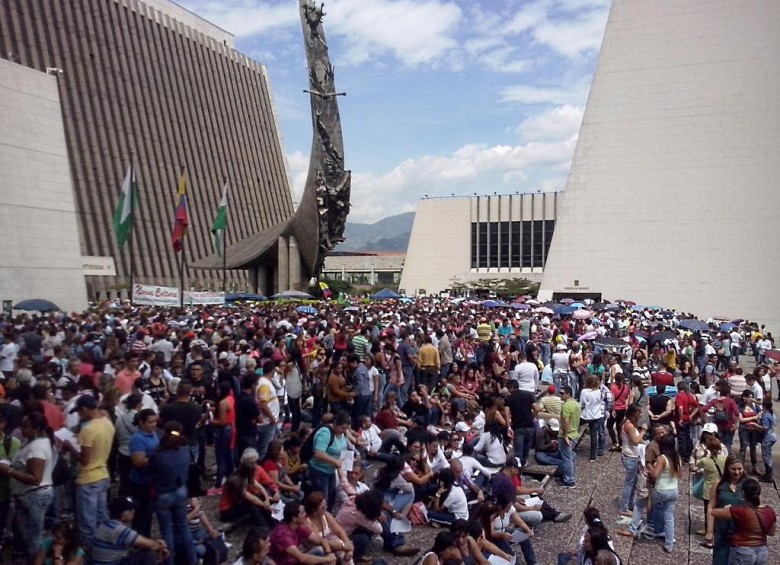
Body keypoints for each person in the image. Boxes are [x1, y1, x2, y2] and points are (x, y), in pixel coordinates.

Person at [0, 411, 54, 559]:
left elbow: (36, 478)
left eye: (26, 427)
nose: (22, 429)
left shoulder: (36, 447)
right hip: (28, 495)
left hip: (34, 495)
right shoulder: (32, 441)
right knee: (28, 534)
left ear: (36, 429)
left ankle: (37, 560)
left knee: (34, 537)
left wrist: (9, 470)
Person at [68, 394, 116, 548]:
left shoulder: (88, 430)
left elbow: (84, 459)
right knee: (102, 517)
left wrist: (70, 447)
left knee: (87, 523)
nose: (80, 416)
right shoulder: (107, 423)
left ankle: (89, 555)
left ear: (84, 409)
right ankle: (106, 548)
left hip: (88, 478)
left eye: (80, 412)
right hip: (103, 473)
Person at [148, 421, 196, 565]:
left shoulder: (157, 453)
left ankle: (170, 562)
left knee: (166, 530)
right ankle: (192, 560)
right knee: (183, 526)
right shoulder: (185, 448)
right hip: (180, 489)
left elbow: (151, 471)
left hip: (163, 493)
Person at [708, 479, 777, 565]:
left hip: (742, 551)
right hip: (762, 552)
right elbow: (771, 533)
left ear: (743, 494)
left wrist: (726, 508)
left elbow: (714, 512)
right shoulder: (770, 511)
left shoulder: (740, 511)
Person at [90, 496, 168, 565]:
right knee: (150, 555)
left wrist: (156, 544)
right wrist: (161, 546)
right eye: (131, 510)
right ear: (124, 514)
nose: (133, 511)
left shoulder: (105, 524)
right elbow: (152, 545)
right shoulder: (120, 530)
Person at [705, 454, 747, 560]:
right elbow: (711, 507)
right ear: (727, 468)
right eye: (733, 469)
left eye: (739, 469)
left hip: (742, 533)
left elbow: (758, 507)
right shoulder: (718, 484)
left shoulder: (749, 485)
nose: (737, 472)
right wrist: (709, 531)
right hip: (722, 532)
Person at [308, 410, 351, 511]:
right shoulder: (325, 433)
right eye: (342, 428)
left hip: (330, 470)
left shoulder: (342, 435)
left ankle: (328, 515)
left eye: (346, 429)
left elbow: (342, 454)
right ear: (335, 424)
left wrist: (343, 478)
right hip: (319, 470)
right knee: (323, 497)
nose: (344, 430)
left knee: (332, 495)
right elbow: (318, 453)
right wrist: (335, 461)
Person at [127, 408, 159, 535]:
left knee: (148, 513)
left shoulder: (153, 434)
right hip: (140, 482)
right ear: (142, 423)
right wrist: (157, 456)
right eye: (150, 422)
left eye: (155, 421)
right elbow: (138, 461)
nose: (154, 424)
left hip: (151, 480)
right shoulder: (138, 438)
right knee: (141, 514)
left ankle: (146, 537)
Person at [303, 491, 354, 565]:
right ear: (314, 511)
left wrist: (348, 545)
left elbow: (339, 531)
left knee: (345, 553)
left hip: (330, 544)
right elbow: (319, 541)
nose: (326, 507)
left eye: (326, 505)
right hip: (316, 549)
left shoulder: (326, 514)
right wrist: (343, 546)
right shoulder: (306, 522)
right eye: (323, 507)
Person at [648, 435, 680, 553]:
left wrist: (649, 469)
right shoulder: (676, 457)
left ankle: (650, 527)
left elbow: (655, 474)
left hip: (661, 489)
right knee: (669, 517)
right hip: (673, 490)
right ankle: (669, 544)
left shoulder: (662, 458)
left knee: (643, 503)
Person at [693, 432, 727, 536]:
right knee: (720, 508)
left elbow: (694, 467)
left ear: (708, 448)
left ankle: (708, 528)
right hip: (721, 487)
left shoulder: (705, 460)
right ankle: (719, 527)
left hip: (708, 489)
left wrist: (703, 456)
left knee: (708, 509)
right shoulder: (725, 459)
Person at [619, 405, 646, 517]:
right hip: (630, 456)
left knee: (633, 482)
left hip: (632, 455)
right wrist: (643, 431)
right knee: (630, 483)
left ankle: (630, 504)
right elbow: (635, 441)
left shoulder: (628, 423)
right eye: (639, 413)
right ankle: (624, 507)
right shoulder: (629, 425)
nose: (641, 415)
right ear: (634, 413)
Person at [558, 386, 580, 487]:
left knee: (566, 458)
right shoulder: (576, 404)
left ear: (568, 394)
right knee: (569, 456)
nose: (560, 395)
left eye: (562, 393)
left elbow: (565, 421)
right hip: (575, 432)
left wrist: (565, 435)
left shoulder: (566, 405)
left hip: (567, 434)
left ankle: (569, 480)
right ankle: (568, 476)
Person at [737, 389, 763, 475]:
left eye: (752, 397)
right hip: (744, 429)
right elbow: (741, 419)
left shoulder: (754, 406)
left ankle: (754, 467)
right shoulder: (740, 407)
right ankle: (741, 467)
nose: (751, 399)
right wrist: (753, 418)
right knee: (743, 448)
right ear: (744, 397)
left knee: (753, 449)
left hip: (754, 430)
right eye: (749, 397)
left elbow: (761, 412)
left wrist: (758, 416)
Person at [580, 375, 605, 461]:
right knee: (594, 436)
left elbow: (582, 403)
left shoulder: (584, 391)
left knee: (574, 426)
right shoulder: (598, 391)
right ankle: (593, 456)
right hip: (596, 415)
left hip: (586, 415)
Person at [759, 397, 775, 483]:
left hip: (767, 438)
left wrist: (756, 426)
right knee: (767, 455)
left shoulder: (766, 416)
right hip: (772, 436)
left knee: (766, 456)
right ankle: (767, 474)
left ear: (764, 406)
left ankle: (768, 476)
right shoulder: (772, 414)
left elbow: (765, 428)